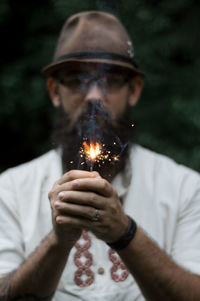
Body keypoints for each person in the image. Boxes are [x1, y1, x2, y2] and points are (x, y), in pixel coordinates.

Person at [0, 10, 200, 301]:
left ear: (134, 90)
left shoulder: (185, 188)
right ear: (55, 91)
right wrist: (60, 240)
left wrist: (125, 233)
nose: (94, 95)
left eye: (110, 80)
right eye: (77, 79)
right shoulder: (10, 190)